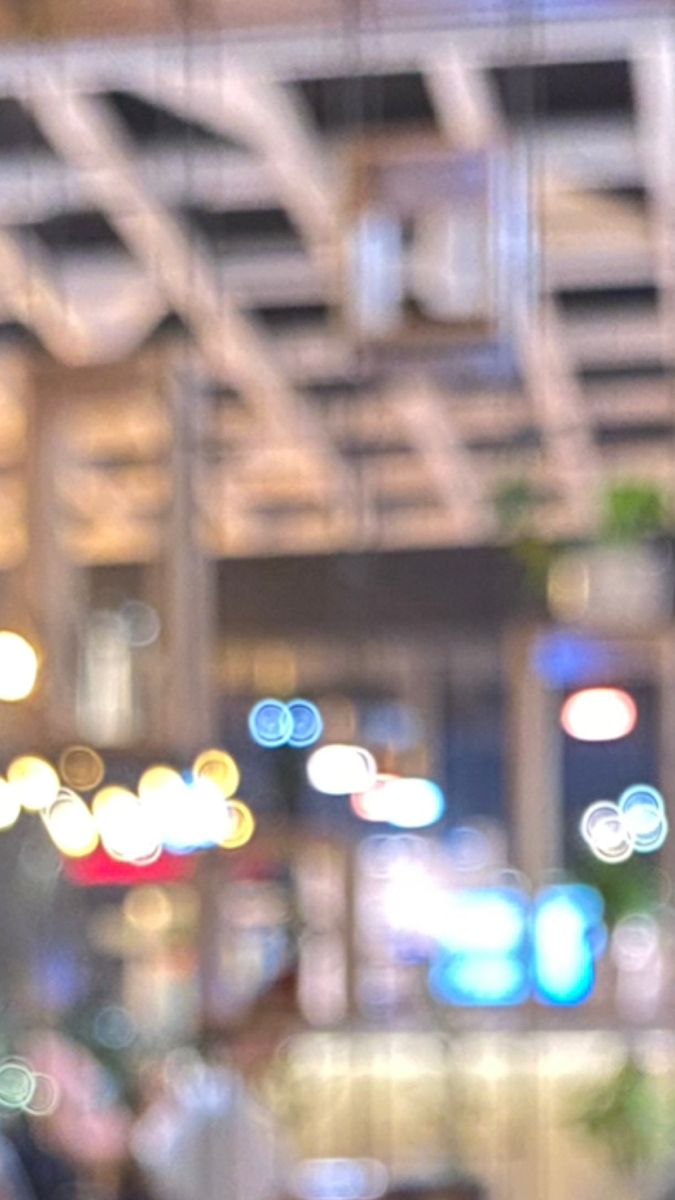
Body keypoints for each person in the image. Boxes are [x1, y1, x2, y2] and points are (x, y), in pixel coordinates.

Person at [131, 978, 297, 1200]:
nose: (275, 1051)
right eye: (270, 1038)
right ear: (246, 1038)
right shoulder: (213, 1099)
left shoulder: (239, 1099)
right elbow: (151, 1152)